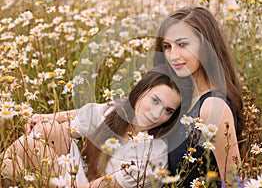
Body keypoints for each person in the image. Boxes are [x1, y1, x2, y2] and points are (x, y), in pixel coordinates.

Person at [1, 66, 192, 187]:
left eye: (168, 110)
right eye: (155, 101)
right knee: (43, 133)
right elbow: (75, 120)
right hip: (82, 176)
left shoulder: (155, 150)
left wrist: (44, 181)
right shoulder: (116, 113)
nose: (157, 114)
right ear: (141, 92)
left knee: (16, 162)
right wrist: (44, 119)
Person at [153, 6, 244, 187]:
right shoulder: (181, 97)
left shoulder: (212, 107)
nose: (173, 55)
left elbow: (234, 182)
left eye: (182, 44)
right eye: (167, 46)